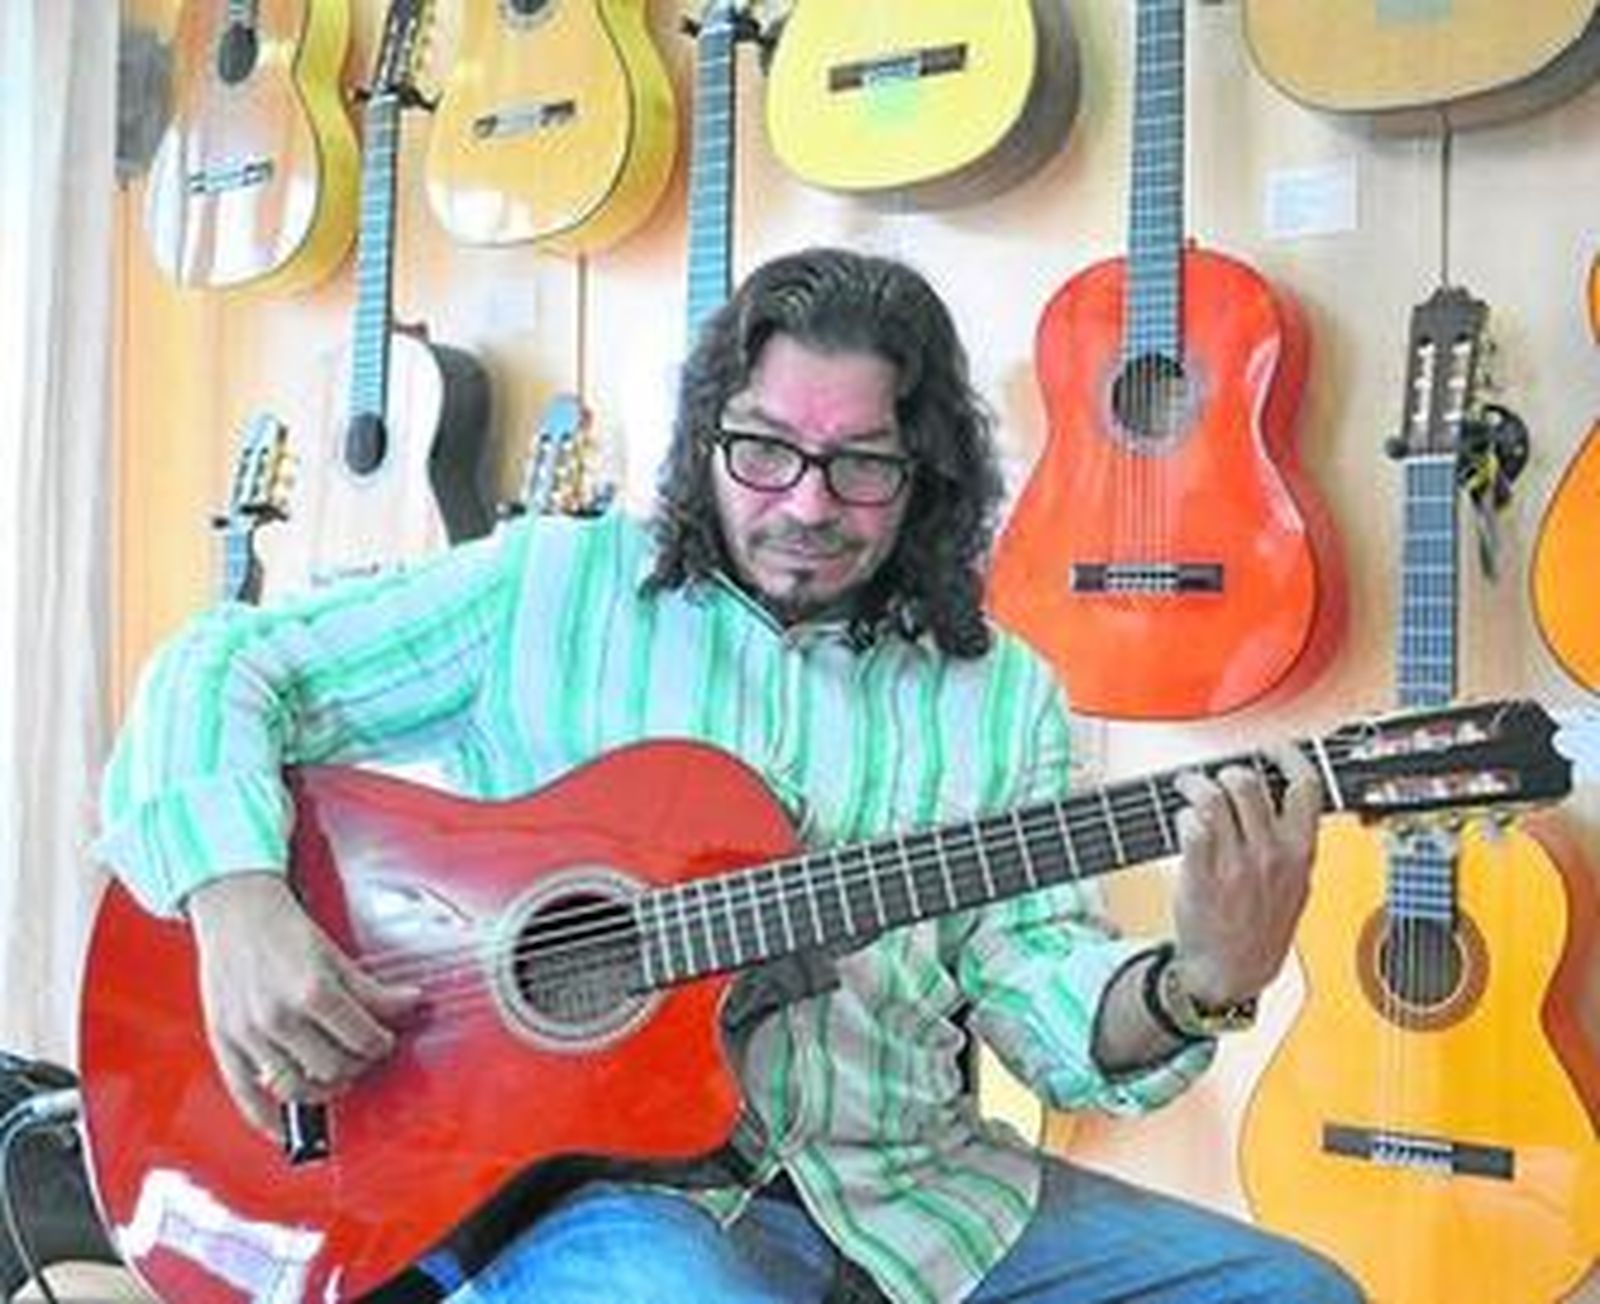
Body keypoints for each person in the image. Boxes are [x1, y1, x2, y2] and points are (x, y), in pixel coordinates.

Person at [97, 247, 1361, 1304]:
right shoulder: (548, 586)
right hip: (588, 1199)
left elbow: (1035, 985)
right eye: (763, 449)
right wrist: (239, 901)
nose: (805, 503)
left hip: (909, 1187)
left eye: (862, 465)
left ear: (927, 477)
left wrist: (1200, 981)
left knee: (1302, 1294)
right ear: (708, 433)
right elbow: (226, 665)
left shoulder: (1003, 694)